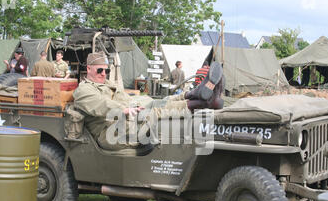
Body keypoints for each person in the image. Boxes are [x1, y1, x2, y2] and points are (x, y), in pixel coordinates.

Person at [73, 52, 224, 150]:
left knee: (162, 102)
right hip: (110, 130)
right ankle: (202, 102)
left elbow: (125, 98)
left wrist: (136, 104)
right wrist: (123, 109)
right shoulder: (83, 90)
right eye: (100, 70)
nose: (104, 73)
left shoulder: (106, 84)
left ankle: (195, 95)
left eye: (106, 70)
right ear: (89, 69)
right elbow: (101, 104)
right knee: (157, 113)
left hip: (128, 117)